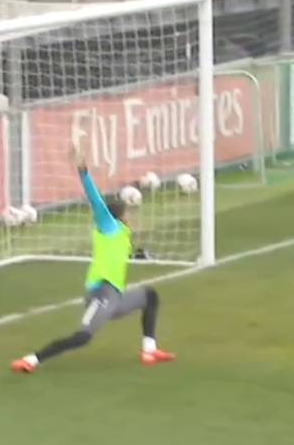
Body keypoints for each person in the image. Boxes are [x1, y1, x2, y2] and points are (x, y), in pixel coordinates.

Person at [11, 146, 176, 373]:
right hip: (101, 295)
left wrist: (140, 253)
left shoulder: (123, 235)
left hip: (116, 296)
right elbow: (95, 200)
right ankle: (31, 360)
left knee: (150, 296)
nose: (130, 217)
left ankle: (149, 350)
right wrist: (83, 171)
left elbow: (118, 256)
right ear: (119, 216)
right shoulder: (108, 226)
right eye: (127, 214)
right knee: (83, 336)